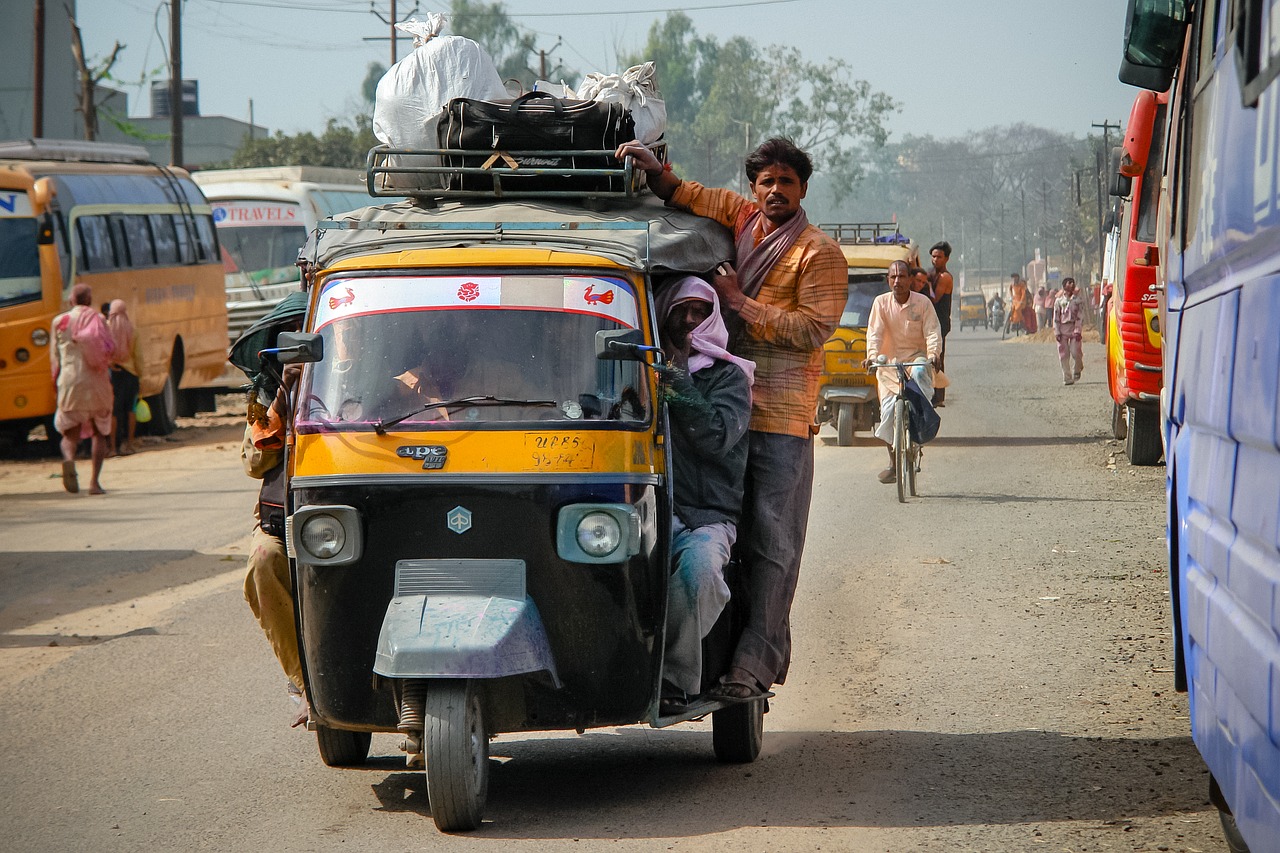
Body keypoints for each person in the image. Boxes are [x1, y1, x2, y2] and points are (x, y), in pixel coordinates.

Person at [615, 136, 846, 701]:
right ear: (753, 189)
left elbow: (813, 330)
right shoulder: (742, 219)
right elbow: (691, 196)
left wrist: (738, 303)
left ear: (803, 190)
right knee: (711, 535)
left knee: (771, 544)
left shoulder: (819, 253)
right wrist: (655, 173)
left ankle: (753, 665)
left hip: (778, 416)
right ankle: (704, 657)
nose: (774, 191)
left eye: (785, 182)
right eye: (765, 181)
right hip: (719, 398)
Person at [655, 276, 754, 712]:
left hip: (707, 517)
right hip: (647, 512)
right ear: (667, 315)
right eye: (683, 311)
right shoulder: (642, 369)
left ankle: (671, 679)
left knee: (700, 576)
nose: (691, 321)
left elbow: (716, 436)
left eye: (701, 311)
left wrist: (677, 383)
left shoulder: (730, 377)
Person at [863, 260, 942, 483]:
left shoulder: (923, 303)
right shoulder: (880, 303)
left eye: (902, 276)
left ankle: (922, 415)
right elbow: (874, 334)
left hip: (916, 360)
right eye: (893, 277)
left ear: (910, 279)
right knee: (887, 413)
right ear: (888, 280)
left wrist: (933, 354)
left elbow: (933, 332)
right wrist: (871, 357)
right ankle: (893, 463)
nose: (897, 281)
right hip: (889, 366)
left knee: (918, 375)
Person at [51, 282, 115, 495]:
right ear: (89, 300)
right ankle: (94, 483)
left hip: (69, 381)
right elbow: (110, 349)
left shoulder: (59, 322)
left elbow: (55, 359)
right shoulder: (99, 320)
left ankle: (69, 460)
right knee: (99, 432)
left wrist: (55, 384)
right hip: (97, 382)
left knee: (70, 434)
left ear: (71, 300)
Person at [105, 299, 141, 456]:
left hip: (113, 375)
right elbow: (139, 356)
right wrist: (141, 375)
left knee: (114, 412)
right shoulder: (133, 329)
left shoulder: (106, 329)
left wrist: (109, 363)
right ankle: (130, 444)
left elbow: (101, 351)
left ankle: (112, 448)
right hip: (131, 374)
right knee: (131, 410)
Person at [927, 242, 954, 406]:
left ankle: (939, 396)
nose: (935, 260)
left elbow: (934, 299)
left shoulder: (945, 277)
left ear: (946, 259)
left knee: (937, 358)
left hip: (940, 322)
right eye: (933, 256)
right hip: (931, 321)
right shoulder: (932, 274)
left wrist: (927, 284)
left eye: (939, 257)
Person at [1053, 277, 1085, 385]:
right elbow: (1056, 317)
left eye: (1073, 283)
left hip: (1074, 328)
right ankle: (1067, 377)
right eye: (1069, 283)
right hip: (1062, 329)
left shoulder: (1078, 300)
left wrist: (1078, 330)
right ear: (1064, 286)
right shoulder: (1058, 301)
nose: (1071, 285)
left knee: (1076, 352)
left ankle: (1077, 368)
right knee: (1063, 355)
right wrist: (1057, 331)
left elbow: (1080, 316)